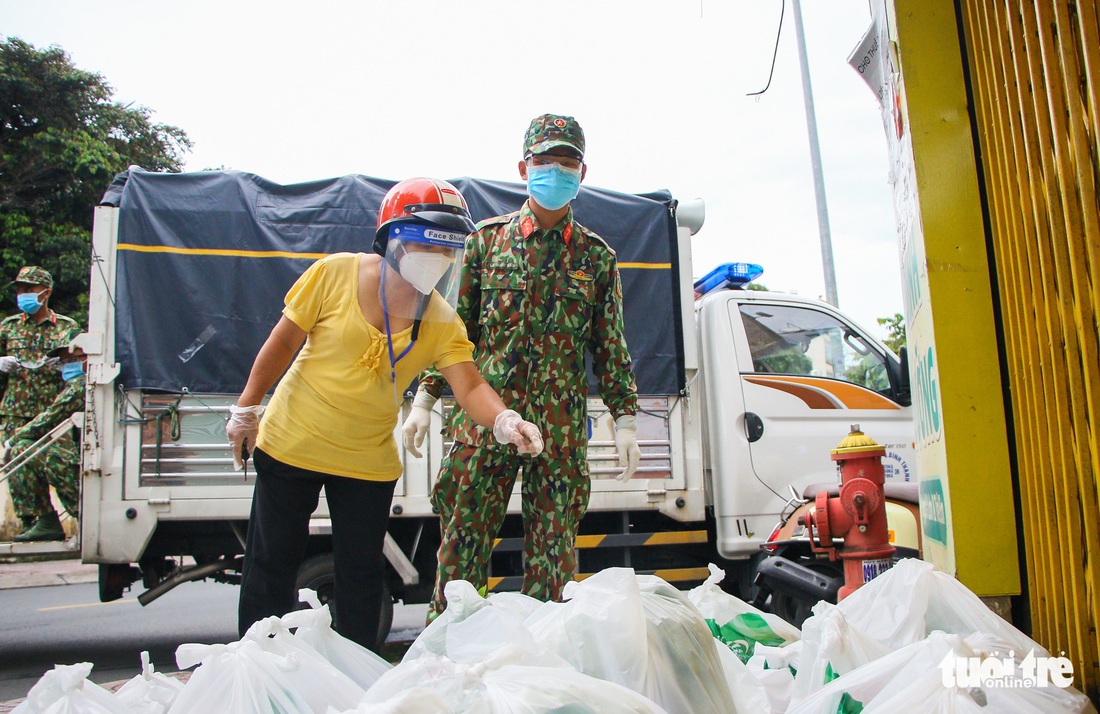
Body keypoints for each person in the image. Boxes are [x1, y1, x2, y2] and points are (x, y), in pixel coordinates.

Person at [227, 177, 544, 652]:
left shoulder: (441, 319)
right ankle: (258, 668)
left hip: (366, 460)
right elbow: (283, 342)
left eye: (446, 250)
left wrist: (504, 420)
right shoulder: (334, 274)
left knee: (359, 576)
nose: (434, 258)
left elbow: (470, 383)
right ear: (390, 238)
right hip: (293, 441)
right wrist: (247, 407)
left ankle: (356, 677)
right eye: (423, 243)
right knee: (271, 566)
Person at [403, 114, 641, 621]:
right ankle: (446, 663)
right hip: (484, 424)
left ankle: (541, 675)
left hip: (557, 433)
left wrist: (625, 419)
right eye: (544, 161)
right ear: (523, 166)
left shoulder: (596, 258)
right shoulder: (486, 244)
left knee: (553, 565)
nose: (555, 171)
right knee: (461, 555)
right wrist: (424, 398)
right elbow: (452, 329)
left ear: (582, 171)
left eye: (566, 162)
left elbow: (610, 345)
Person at [0, 266, 79, 540]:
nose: (22, 294)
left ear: (45, 292)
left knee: (61, 463)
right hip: (16, 410)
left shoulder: (67, 328)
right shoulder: (9, 327)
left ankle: (82, 512)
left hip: (54, 410)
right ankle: (40, 521)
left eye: (29, 289)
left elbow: (81, 365)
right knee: (17, 464)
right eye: (20, 289)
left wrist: (65, 365)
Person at [5, 334, 86, 542]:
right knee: (23, 448)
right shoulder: (78, 384)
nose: (66, 366)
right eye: (64, 362)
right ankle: (45, 521)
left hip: (85, 464)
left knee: (27, 451)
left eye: (71, 360)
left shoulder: (81, 386)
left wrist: (13, 439)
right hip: (85, 456)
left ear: (87, 359)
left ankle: (57, 519)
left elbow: (50, 418)